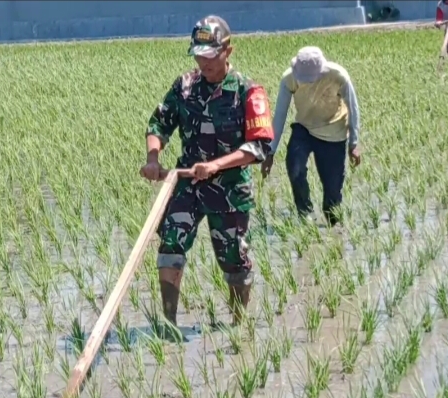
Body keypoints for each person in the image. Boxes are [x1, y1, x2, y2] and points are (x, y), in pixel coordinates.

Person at [139, 15, 274, 332]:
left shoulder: (248, 91)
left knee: (233, 257)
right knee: (170, 243)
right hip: (187, 183)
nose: (204, 63)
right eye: (199, 56)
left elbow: (259, 146)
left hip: (229, 188)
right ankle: (169, 324)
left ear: (228, 51)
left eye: (211, 56)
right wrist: (153, 158)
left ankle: (238, 325)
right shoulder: (185, 86)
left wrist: (215, 166)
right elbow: (159, 124)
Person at [261, 46, 361, 227]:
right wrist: (270, 151)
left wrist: (354, 144)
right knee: (295, 167)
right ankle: (305, 214)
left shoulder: (338, 76)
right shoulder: (289, 78)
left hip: (333, 132)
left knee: (332, 197)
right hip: (304, 128)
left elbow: (353, 109)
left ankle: (334, 227)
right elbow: (280, 115)